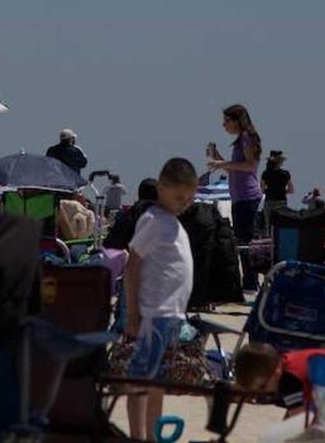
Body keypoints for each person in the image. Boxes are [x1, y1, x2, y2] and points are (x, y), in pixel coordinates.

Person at [122, 158, 199, 441]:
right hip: (153, 313)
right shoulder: (153, 219)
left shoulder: (174, 223)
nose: (184, 203)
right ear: (161, 188)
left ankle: (152, 437)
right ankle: (137, 436)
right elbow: (132, 265)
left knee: (156, 383)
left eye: (190, 199)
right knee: (139, 380)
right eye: (179, 197)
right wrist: (132, 315)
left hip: (171, 315)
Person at [207, 104, 263, 291]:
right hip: (240, 197)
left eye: (227, 121)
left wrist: (221, 162)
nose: (224, 125)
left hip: (248, 197)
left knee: (246, 243)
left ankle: (251, 282)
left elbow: (250, 166)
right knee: (242, 241)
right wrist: (219, 159)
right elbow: (235, 168)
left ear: (237, 120)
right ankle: (249, 281)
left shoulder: (247, 138)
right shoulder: (242, 140)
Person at [233, 342, 319, 417]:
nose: (259, 393)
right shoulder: (278, 364)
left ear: (276, 373)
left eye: (262, 387)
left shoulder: (290, 381)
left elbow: (300, 419)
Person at [260, 150, 294, 227]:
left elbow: (261, 190)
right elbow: (291, 190)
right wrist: (282, 191)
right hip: (281, 201)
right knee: (281, 224)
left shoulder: (265, 173)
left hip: (269, 201)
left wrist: (269, 191)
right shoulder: (285, 174)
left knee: (268, 224)